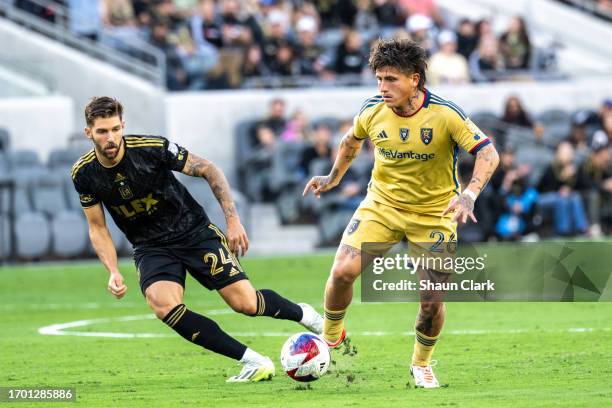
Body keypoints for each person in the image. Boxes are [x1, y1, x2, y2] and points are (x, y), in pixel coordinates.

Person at [71, 97, 322, 383]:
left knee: (246, 304)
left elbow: (208, 168)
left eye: (115, 129)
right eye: (102, 132)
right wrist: (113, 270)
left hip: (193, 232)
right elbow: (97, 227)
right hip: (151, 247)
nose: (111, 138)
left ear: (123, 126)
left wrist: (233, 220)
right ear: (89, 133)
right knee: (162, 304)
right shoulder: (84, 174)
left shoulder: (152, 148)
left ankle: (305, 314)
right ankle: (253, 361)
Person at [303, 39, 499, 388]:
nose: (383, 87)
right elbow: (351, 141)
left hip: (434, 213)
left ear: (415, 80)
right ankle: (331, 335)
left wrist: (469, 194)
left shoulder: (445, 113)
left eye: (391, 79)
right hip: (382, 205)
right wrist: (332, 177)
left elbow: (488, 154)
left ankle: (421, 363)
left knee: (431, 302)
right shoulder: (372, 109)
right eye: (379, 78)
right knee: (343, 270)